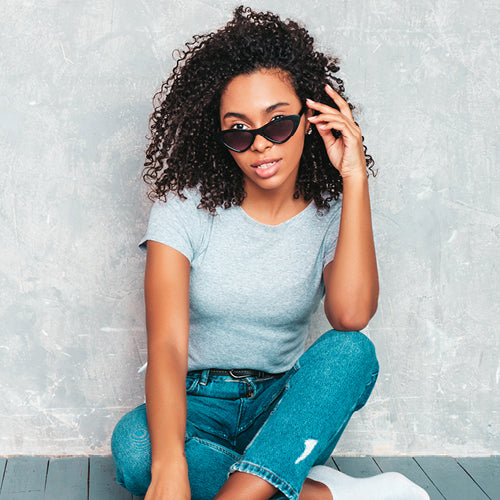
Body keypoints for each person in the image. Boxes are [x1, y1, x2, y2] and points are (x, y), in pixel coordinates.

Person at [111, 6, 429, 500]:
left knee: (352, 351)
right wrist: (169, 464)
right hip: (197, 402)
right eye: (239, 130)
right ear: (218, 136)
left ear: (309, 119)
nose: (260, 145)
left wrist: (354, 176)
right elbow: (169, 347)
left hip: (285, 409)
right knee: (135, 448)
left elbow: (350, 314)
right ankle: (316, 491)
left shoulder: (328, 214)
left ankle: (253, 483)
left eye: (277, 123)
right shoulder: (182, 208)